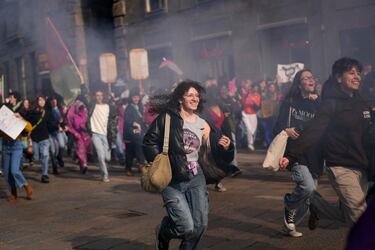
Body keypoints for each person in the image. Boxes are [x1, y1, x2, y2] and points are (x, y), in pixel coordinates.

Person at [279, 57, 372, 229]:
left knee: (346, 214)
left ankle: (316, 206)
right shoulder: (330, 104)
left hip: (362, 166)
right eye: (351, 73)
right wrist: (291, 155)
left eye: (358, 73)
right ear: (338, 77)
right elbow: (314, 131)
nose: (357, 76)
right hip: (340, 166)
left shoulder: (363, 103)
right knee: (360, 218)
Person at [143, 80, 234, 250]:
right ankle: (163, 232)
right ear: (180, 99)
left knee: (199, 225)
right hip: (172, 178)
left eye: (197, 95)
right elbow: (149, 141)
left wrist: (227, 147)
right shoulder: (168, 118)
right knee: (185, 226)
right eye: (190, 95)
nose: (195, 98)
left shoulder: (202, 123)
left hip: (195, 177)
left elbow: (215, 152)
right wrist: (162, 162)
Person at [273, 69, 323, 237]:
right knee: (307, 187)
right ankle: (289, 205)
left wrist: (319, 103)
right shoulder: (290, 102)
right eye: (306, 78)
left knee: (310, 195)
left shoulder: (319, 103)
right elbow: (277, 126)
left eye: (312, 77)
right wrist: (286, 130)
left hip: (315, 154)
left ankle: (289, 225)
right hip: (295, 153)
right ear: (299, 83)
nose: (310, 80)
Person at [1, 102, 33, 201]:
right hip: (5, 146)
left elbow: (29, 127)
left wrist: (20, 118)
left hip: (16, 146)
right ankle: (13, 192)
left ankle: (26, 185)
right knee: (7, 173)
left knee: (14, 170)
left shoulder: (16, 117)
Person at [88, 90, 118, 182]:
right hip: (95, 134)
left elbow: (114, 119)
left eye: (101, 95)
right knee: (101, 156)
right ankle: (105, 175)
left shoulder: (108, 107)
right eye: (97, 95)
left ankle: (104, 166)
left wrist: (113, 131)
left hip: (105, 135)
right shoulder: (92, 106)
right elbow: (86, 117)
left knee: (107, 158)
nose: (99, 97)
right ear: (95, 97)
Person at [27, 96, 51, 183]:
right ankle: (30, 158)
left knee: (45, 155)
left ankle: (45, 175)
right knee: (36, 157)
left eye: (43, 100)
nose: (41, 101)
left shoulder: (47, 112)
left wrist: (60, 125)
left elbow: (50, 123)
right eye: (39, 100)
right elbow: (28, 120)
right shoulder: (32, 111)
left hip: (44, 137)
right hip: (35, 138)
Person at [123, 87, 146, 176]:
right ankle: (129, 168)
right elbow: (127, 120)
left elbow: (142, 120)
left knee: (139, 149)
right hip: (130, 133)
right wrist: (135, 123)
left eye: (137, 97)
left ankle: (140, 165)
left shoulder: (140, 107)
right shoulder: (129, 108)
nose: (136, 99)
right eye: (134, 97)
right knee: (130, 152)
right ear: (131, 98)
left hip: (137, 133)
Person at [67, 97, 92, 173]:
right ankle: (84, 165)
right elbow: (70, 125)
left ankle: (81, 163)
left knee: (86, 149)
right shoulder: (72, 114)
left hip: (86, 134)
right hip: (78, 134)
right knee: (81, 150)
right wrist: (75, 133)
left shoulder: (86, 112)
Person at [240, 79, 261, 151]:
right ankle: (250, 144)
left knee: (253, 130)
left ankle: (251, 143)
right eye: (254, 87)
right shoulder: (246, 94)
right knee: (249, 129)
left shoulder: (258, 95)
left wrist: (252, 103)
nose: (255, 88)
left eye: (256, 87)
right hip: (245, 114)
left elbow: (257, 105)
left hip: (253, 114)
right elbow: (243, 102)